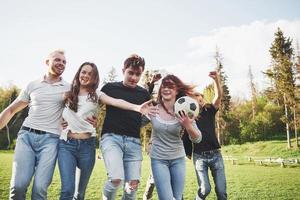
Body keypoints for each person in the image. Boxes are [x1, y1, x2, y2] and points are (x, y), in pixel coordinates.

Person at [58, 62, 155, 200]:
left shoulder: (96, 94)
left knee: (81, 193)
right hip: (69, 144)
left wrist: (137, 109)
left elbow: (116, 102)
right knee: (68, 190)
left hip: (90, 144)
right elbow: (52, 109)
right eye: (83, 72)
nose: (85, 75)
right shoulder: (68, 92)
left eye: (90, 74)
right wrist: (59, 122)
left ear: (94, 78)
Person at [0, 50, 70, 200]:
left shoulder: (69, 88)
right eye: (57, 60)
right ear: (47, 62)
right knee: (17, 187)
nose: (61, 64)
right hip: (26, 137)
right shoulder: (33, 85)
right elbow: (12, 109)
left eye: (64, 62)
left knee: (39, 189)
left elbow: (80, 108)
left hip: (50, 141)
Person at [100, 54, 152, 200]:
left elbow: (150, 115)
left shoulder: (143, 93)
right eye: (130, 73)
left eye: (138, 74)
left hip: (134, 142)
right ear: (123, 70)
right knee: (116, 179)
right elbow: (91, 106)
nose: (134, 77)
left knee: (132, 186)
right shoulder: (109, 88)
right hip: (111, 139)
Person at [144, 74, 202, 200]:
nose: (166, 89)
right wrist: (142, 111)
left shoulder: (184, 110)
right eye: (164, 86)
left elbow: (197, 138)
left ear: (177, 90)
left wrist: (187, 125)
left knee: (177, 197)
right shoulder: (153, 109)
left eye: (170, 86)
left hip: (178, 160)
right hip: (158, 159)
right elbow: (133, 123)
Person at [183, 71, 227, 200]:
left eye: (201, 99)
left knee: (221, 191)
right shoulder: (188, 117)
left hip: (216, 155)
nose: (201, 101)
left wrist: (216, 80)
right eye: (197, 100)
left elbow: (218, 96)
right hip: (199, 157)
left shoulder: (209, 111)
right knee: (204, 189)